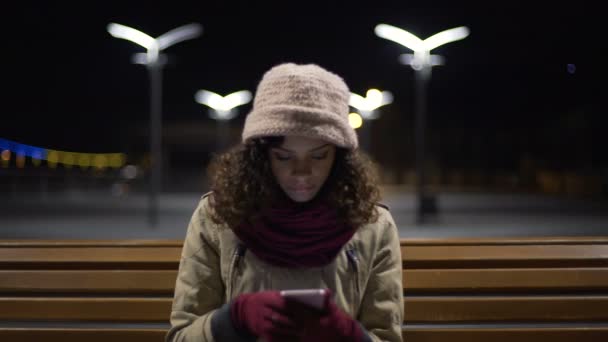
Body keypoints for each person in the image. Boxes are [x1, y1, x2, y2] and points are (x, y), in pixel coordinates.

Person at [166, 62, 403, 342]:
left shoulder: (373, 225)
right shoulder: (217, 217)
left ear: (339, 158)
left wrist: (350, 336)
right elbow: (181, 336)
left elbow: (386, 336)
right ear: (260, 156)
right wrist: (231, 320)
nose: (301, 172)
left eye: (318, 156)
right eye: (283, 156)